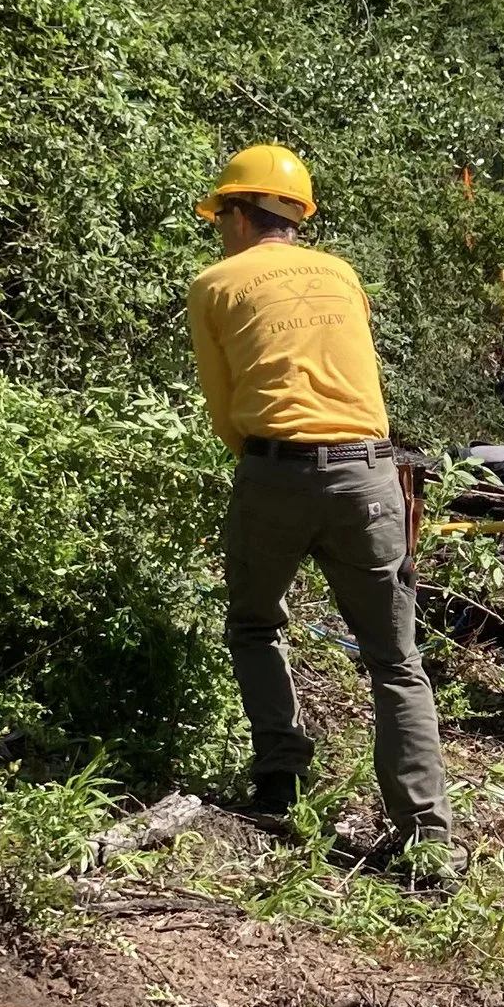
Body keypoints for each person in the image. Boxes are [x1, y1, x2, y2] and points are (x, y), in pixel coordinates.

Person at [186, 145, 460, 883]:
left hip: (274, 471)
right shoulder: (342, 275)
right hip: (372, 476)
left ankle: (280, 779)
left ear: (242, 215)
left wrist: (276, 468)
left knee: (253, 622)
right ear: (296, 216)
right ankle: (429, 840)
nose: (220, 232)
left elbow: (225, 415)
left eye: (222, 218)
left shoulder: (214, 284)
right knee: (396, 661)